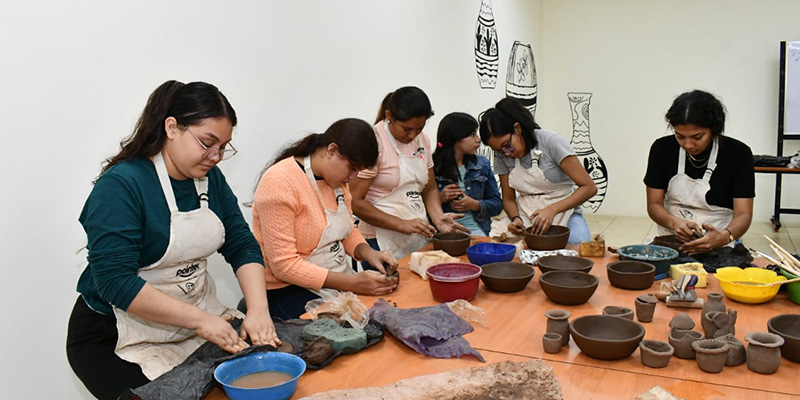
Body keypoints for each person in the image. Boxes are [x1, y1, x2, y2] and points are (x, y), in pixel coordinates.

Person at [66, 81, 280, 400]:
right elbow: (115, 282)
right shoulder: (122, 186)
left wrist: (259, 309)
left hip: (192, 322)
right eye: (207, 143)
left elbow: (241, 244)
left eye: (223, 147)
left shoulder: (210, 180)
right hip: (113, 335)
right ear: (172, 127)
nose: (216, 156)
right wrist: (201, 321)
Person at [250, 119, 399, 320]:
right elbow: (284, 266)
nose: (353, 177)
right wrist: (351, 283)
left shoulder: (336, 181)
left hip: (335, 279)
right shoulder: (279, 182)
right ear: (331, 150)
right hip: (288, 290)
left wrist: (369, 253)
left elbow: (346, 230)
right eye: (352, 168)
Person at [351, 86, 467, 264]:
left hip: (416, 233)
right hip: (378, 240)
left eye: (419, 128)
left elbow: (429, 189)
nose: (412, 135)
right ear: (389, 116)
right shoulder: (374, 141)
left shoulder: (423, 141)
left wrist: (437, 218)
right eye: (406, 129)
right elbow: (355, 201)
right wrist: (400, 224)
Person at [644, 90, 754, 255]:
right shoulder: (662, 149)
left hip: (719, 244)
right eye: (680, 136)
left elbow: (743, 214)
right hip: (668, 240)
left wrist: (724, 237)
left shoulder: (738, 154)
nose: (688, 144)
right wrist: (674, 223)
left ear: (714, 130)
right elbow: (654, 205)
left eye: (697, 137)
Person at [479, 97, 596, 244]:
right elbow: (508, 198)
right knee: (497, 243)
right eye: (499, 150)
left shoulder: (551, 142)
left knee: (578, 245)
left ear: (518, 128)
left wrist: (552, 209)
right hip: (525, 215)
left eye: (507, 145)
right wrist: (516, 218)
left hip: (565, 212)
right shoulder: (502, 155)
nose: (506, 153)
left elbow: (589, 187)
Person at [433, 112, 503, 236]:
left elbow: (497, 205)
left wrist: (475, 205)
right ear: (456, 139)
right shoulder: (432, 167)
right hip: (445, 233)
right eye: (472, 135)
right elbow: (417, 207)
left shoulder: (482, 165)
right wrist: (440, 199)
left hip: (478, 231)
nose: (478, 139)